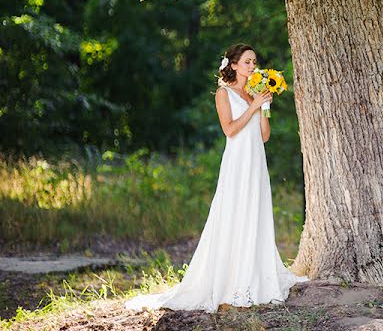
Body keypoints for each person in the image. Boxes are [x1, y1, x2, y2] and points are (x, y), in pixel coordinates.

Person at [124, 43, 309, 313]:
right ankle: (231, 278)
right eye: (246, 62)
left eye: (254, 61)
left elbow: (265, 135)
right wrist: (253, 106)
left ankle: (258, 273)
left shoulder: (255, 92)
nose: (252, 66)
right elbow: (230, 130)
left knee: (255, 212)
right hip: (237, 163)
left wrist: (264, 107)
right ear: (233, 65)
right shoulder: (224, 94)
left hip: (256, 160)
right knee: (234, 213)